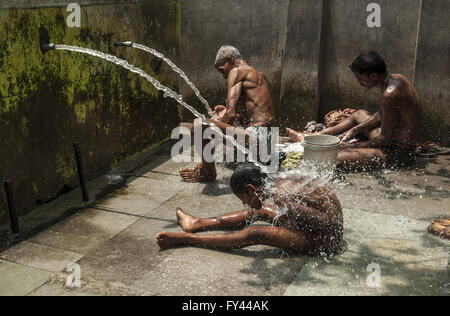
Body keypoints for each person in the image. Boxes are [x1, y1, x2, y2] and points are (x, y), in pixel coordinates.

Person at [158, 163, 344, 256]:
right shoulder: (280, 181)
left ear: (252, 189)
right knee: (257, 211)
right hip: (323, 226)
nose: (244, 204)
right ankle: (197, 223)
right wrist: (289, 218)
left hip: (327, 237)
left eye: (244, 199)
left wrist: (288, 224)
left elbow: (326, 220)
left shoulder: (282, 196)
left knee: (255, 233)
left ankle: (189, 238)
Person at [286, 51, 423, 170]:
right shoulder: (397, 79)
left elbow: (384, 139)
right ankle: (312, 137)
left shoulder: (389, 94)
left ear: (373, 76)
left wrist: (352, 147)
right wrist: (355, 130)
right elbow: (382, 115)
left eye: (360, 79)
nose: (359, 83)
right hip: (392, 140)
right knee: (359, 114)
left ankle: (329, 145)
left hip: (398, 153)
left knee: (328, 159)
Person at [179, 45, 276, 182]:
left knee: (199, 125)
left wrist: (211, 139)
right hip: (269, 142)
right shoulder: (258, 75)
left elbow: (230, 113)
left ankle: (207, 171)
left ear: (230, 60)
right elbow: (252, 112)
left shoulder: (237, 71)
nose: (224, 76)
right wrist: (223, 112)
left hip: (256, 139)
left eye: (222, 71)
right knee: (219, 116)